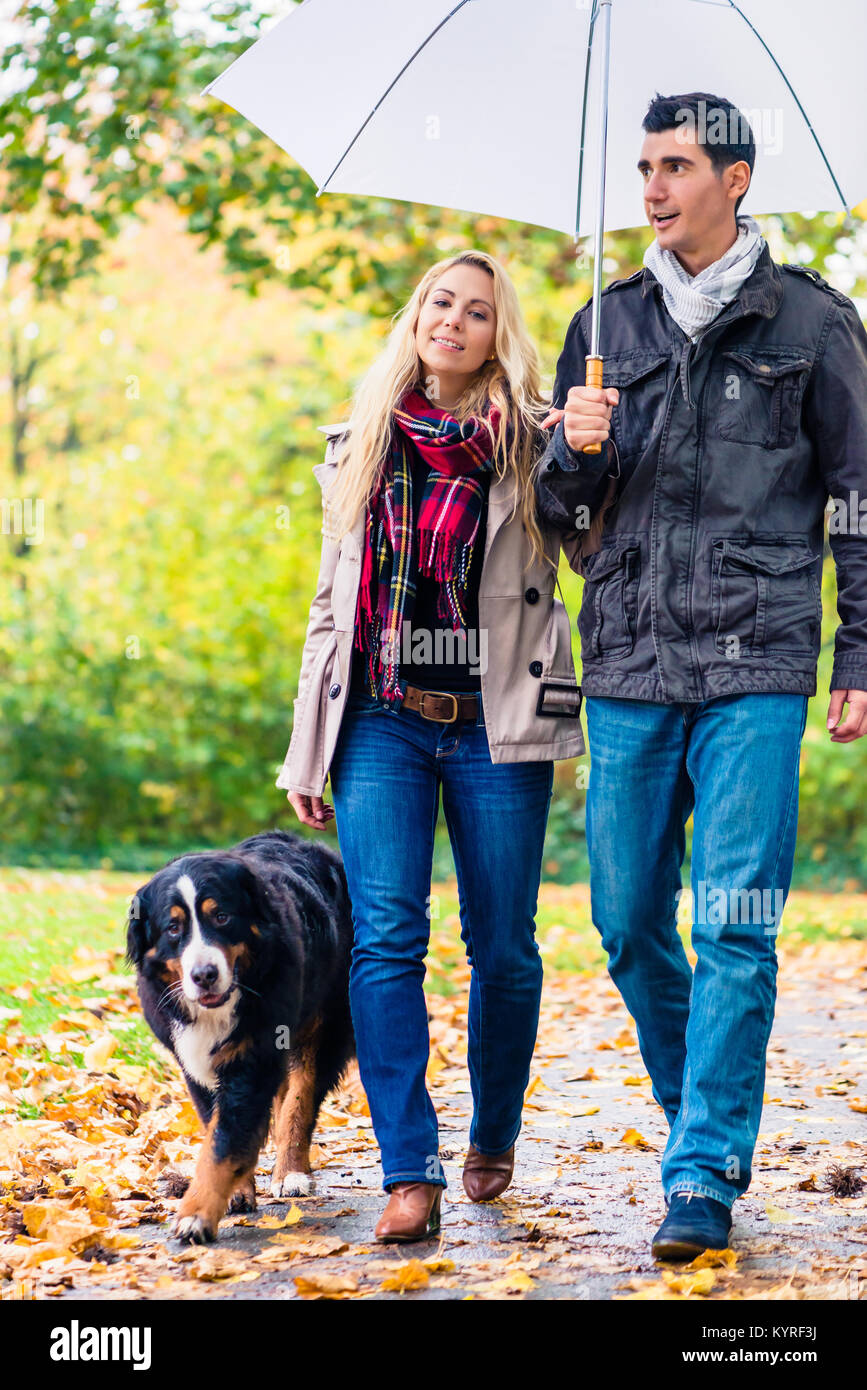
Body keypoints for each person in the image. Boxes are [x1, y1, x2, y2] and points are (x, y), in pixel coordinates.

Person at [535, 91, 867, 1262]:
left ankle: (704, 1169)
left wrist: (861, 651)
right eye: (643, 167)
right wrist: (567, 453)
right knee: (626, 922)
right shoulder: (602, 325)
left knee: (735, 922)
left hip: (757, 662)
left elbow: (859, 499)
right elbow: (561, 517)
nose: (653, 188)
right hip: (626, 657)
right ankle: (702, 1127)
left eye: (675, 166)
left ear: (735, 180)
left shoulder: (816, 326)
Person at [277, 250, 587, 1242]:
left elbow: (591, 534)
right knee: (385, 940)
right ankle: (409, 1170)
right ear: (416, 319)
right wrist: (305, 745)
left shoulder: (535, 442)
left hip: (498, 724)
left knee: (503, 948)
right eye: (439, 303)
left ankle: (493, 1127)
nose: (453, 321)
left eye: (478, 312)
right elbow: (331, 606)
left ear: (502, 335)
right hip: (381, 720)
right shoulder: (357, 443)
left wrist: (584, 446)